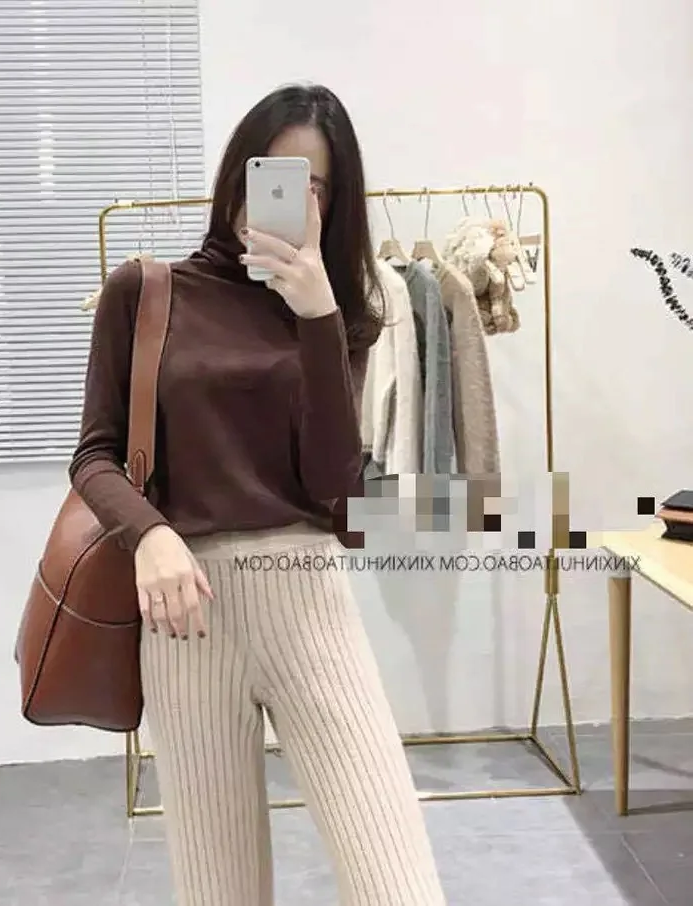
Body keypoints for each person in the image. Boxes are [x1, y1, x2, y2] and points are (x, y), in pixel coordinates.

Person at [69, 83, 446, 906]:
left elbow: (338, 492)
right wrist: (150, 534)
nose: (285, 199)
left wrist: (318, 317)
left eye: (314, 186)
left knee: (398, 887)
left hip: (309, 605)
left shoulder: (342, 315)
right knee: (221, 891)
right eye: (271, 172)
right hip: (185, 619)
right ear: (236, 172)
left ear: (332, 205)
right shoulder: (147, 292)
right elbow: (94, 455)